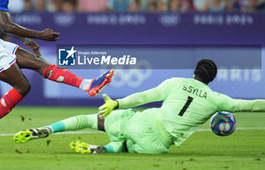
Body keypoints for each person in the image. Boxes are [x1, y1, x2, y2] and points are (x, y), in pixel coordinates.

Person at [0, 0, 114, 150]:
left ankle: (87, 84)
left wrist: (27, 41)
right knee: (23, 86)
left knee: (38, 63)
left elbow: (3, 25)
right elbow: (5, 25)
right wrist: (39, 35)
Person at [14, 59, 265, 154]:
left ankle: (45, 129)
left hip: (143, 120)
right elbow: (251, 105)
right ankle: (103, 149)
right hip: (159, 145)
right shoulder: (218, 99)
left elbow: (145, 96)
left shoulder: (176, 82)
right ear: (211, 79)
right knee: (128, 145)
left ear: (194, 72)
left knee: (92, 119)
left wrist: (118, 103)